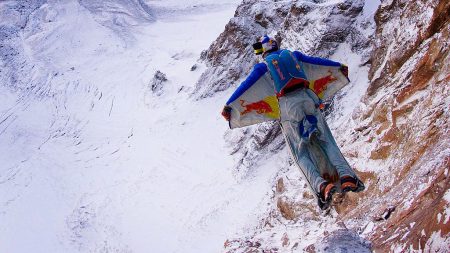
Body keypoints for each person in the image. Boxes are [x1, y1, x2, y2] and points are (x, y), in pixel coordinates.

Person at [221, 35, 364, 210]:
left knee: (300, 152)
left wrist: (230, 106)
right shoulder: (293, 55)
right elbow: (318, 63)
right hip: (309, 100)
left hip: (289, 108)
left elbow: (246, 86)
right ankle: (347, 177)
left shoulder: (263, 67)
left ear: (263, 50)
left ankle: (322, 186)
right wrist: (339, 69)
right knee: (327, 141)